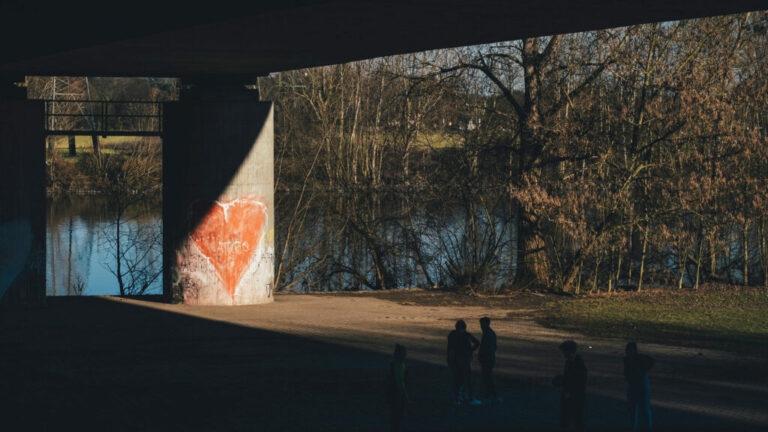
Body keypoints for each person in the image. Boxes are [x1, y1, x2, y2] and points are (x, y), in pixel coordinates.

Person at [553, 340, 587, 431]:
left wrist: (568, 389)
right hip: (571, 394)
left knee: (575, 418)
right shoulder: (571, 362)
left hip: (574, 395)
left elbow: (578, 381)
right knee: (571, 418)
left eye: (565, 352)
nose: (563, 354)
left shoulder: (577, 364)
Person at [446, 319, 480, 406]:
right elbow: (477, 343)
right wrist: (470, 351)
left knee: (458, 379)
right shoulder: (465, 335)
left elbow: (450, 349)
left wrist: (449, 359)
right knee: (465, 379)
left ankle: (459, 398)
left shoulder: (452, 335)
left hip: (457, 360)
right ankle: (466, 397)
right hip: (463, 360)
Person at [624, 342, 654, 430]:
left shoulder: (637, 359)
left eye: (630, 350)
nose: (628, 352)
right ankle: (638, 426)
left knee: (642, 407)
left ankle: (646, 427)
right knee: (635, 407)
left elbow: (651, 362)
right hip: (635, 384)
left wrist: (643, 371)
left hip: (640, 384)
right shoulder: (629, 360)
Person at [478, 317, 502, 404]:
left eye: (482, 324)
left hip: (487, 359)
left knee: (487, 378)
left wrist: (483, 356)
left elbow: (488, 348)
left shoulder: (488, 334)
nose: (481, 326)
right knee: (487, 378)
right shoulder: (489, 333)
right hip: (489, 358)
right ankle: (492, 396)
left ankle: (490, 396)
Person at [386, 344, 409, 432]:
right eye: (404, 353)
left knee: (396, 417)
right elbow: (399, 382)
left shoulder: (398, 364)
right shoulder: (397, 365)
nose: (405, 355)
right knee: (397, 417)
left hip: (396, 394)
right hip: (396, 395)